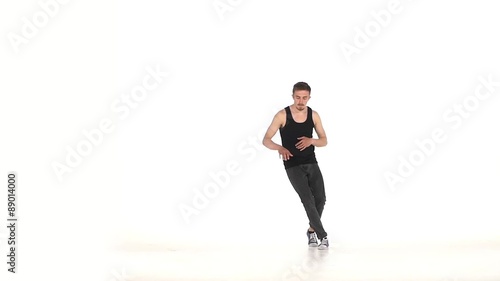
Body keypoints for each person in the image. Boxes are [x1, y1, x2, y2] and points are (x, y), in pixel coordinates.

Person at [262, 82, 329, 249]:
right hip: (292, 164)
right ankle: (323, 236)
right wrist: (280, 148)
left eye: (304, 98)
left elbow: (324, 140)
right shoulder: (282, 115)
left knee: (320, 198)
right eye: (298, 97)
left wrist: (311, 140)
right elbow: (266, 139)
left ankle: (311, 231)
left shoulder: (314, 115)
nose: (301, 101)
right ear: (293, 96)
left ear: (309, 98)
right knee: (307, 199)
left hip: (311, 162)